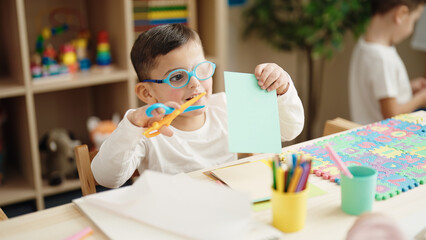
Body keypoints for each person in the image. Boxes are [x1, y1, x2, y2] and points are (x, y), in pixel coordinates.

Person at [91, 24, 304, 188]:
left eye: (201, 69)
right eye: (177, 77)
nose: (195, 83)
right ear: (147, 93)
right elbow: (107, 178)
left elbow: (289, 130)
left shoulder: (226, 106)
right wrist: (132, 125)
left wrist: (282, 88)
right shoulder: (147, 131)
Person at [349, 0, 426, 125]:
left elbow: (378, 91)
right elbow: (392, 114)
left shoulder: (364, 44)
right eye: (414, 21)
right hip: (382, 138)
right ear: (401, 14)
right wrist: (421, 98)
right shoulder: (382, 58)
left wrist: (408, 88)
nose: (412, 29)